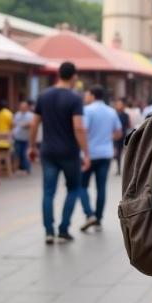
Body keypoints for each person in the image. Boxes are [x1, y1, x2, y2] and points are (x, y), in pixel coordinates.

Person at [29, 62, 90, 245]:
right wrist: (86, 152)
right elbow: (78, 127)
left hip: (48, 151)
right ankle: (63, 230)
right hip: (69, 152)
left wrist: (32, 146)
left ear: (58, 74)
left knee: (48, 192)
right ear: (74, 76)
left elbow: (34, 123)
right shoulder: (75, 98)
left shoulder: (43, 95)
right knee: (73, 189)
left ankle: (49, 231)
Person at [79, 85, 122, 231]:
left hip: (89, 154)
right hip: (105, 153)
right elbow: (118, 133)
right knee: (101, 187)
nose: (86, 96)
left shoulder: (87, 110)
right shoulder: (111, 112)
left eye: (87, 93)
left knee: (81, 185)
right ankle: (98, 218)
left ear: (92, 95)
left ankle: (89, 213)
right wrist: (106, 137)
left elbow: (82, 131)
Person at [12, 100, 33, 174]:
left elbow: (32, 124)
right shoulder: (17, 114)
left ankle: (28, 169)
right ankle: (16, 168)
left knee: (26, 154)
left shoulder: (30, 115)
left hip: (26, 138)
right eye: (21, 107)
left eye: (24, 107)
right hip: (18, 137)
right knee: (17, 153)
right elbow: (14, 124)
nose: (22, 108)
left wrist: (26, 125)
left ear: (27, 107)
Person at [0, 100, 14, 176]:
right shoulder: (9, 113)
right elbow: (12, 125)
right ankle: (9, 172)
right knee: (8, 156)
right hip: (6, 140)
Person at [113, 97, 131, 175]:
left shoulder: (125, 115)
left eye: (120, 105)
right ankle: (119, 168)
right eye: (117, 105)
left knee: (126, 152)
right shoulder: (114, 114)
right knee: (118, 153)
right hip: (116, 136)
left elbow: (128, 125)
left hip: (123, 135)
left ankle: (127, 169)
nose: (118, 106)